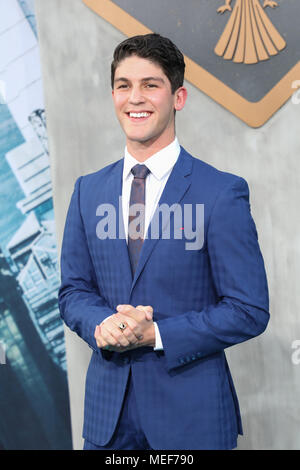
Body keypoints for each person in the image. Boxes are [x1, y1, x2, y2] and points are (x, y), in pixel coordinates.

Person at [58, 33, 269, 450]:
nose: (135, 98)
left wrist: (156, 334)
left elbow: (248, 309)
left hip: (192, 423)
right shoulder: (87, 191)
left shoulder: (220, 192)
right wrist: (103, 324)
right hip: (107, 422)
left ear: (179, 97)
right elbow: (74, 291)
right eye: (124, 85)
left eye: (150, 85)